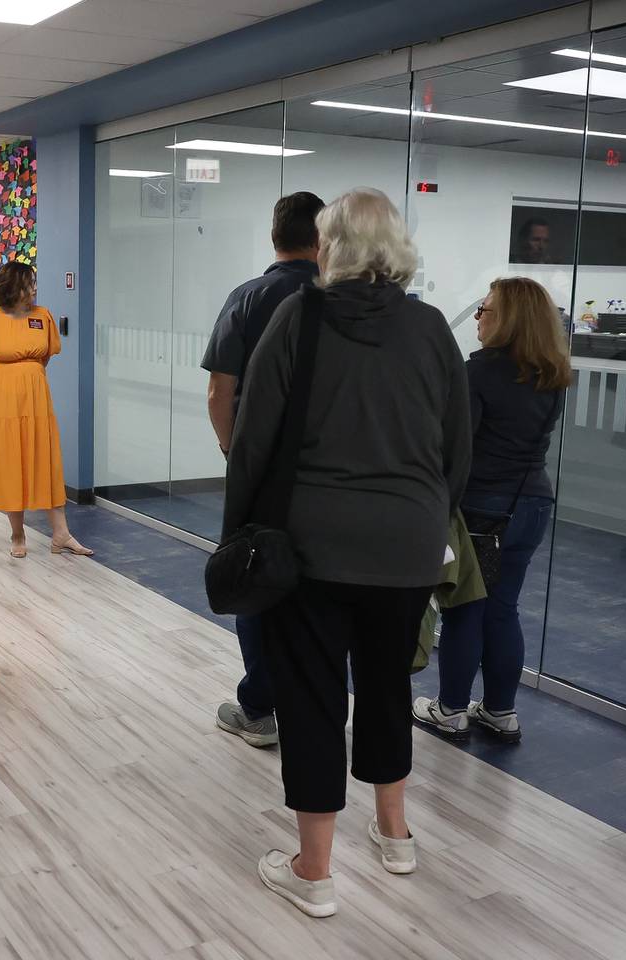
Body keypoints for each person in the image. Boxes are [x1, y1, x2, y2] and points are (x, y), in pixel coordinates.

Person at [223, 188, 470, 918]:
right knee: (388, 684)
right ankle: (395, 835)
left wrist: (239, 534)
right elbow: (458, 447)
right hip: (408, 547)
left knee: (312, 699)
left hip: (312, 550)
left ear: (329, 246)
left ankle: (315, 871)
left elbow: (254, 438)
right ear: (395, 247)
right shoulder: (431, 329)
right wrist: (425, 518)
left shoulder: (300, 317)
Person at [414, 277, 570, 743]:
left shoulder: (479, 372)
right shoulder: (552, 373)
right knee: (502, 609)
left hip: (485, 511)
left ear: (510, 320)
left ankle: (451, 710)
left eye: (486, 309)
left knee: (465, 610)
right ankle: (501, 711)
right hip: (533, 505)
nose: (478, 318)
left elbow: (456, 446)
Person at [200, 191, 325, 750]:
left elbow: (218, 392)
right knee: (317, 587)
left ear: (274, 237)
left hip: (262, 470)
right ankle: (309, 701)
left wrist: (236, 455)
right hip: (326, 473)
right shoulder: (336, 299)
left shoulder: (248, 298)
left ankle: (258, 708)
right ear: (322, 238)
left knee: (254, 575)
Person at [0, 260, 92, 559]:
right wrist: (2, 380)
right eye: (29, 283)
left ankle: (61, 534)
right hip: (2, 401)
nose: (35, 287)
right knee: (11, 460)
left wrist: (28, 376)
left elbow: (45, 355)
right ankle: (17, 532)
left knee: (45, 459)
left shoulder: (43, 316)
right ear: (13, 287)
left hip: (37, 399)